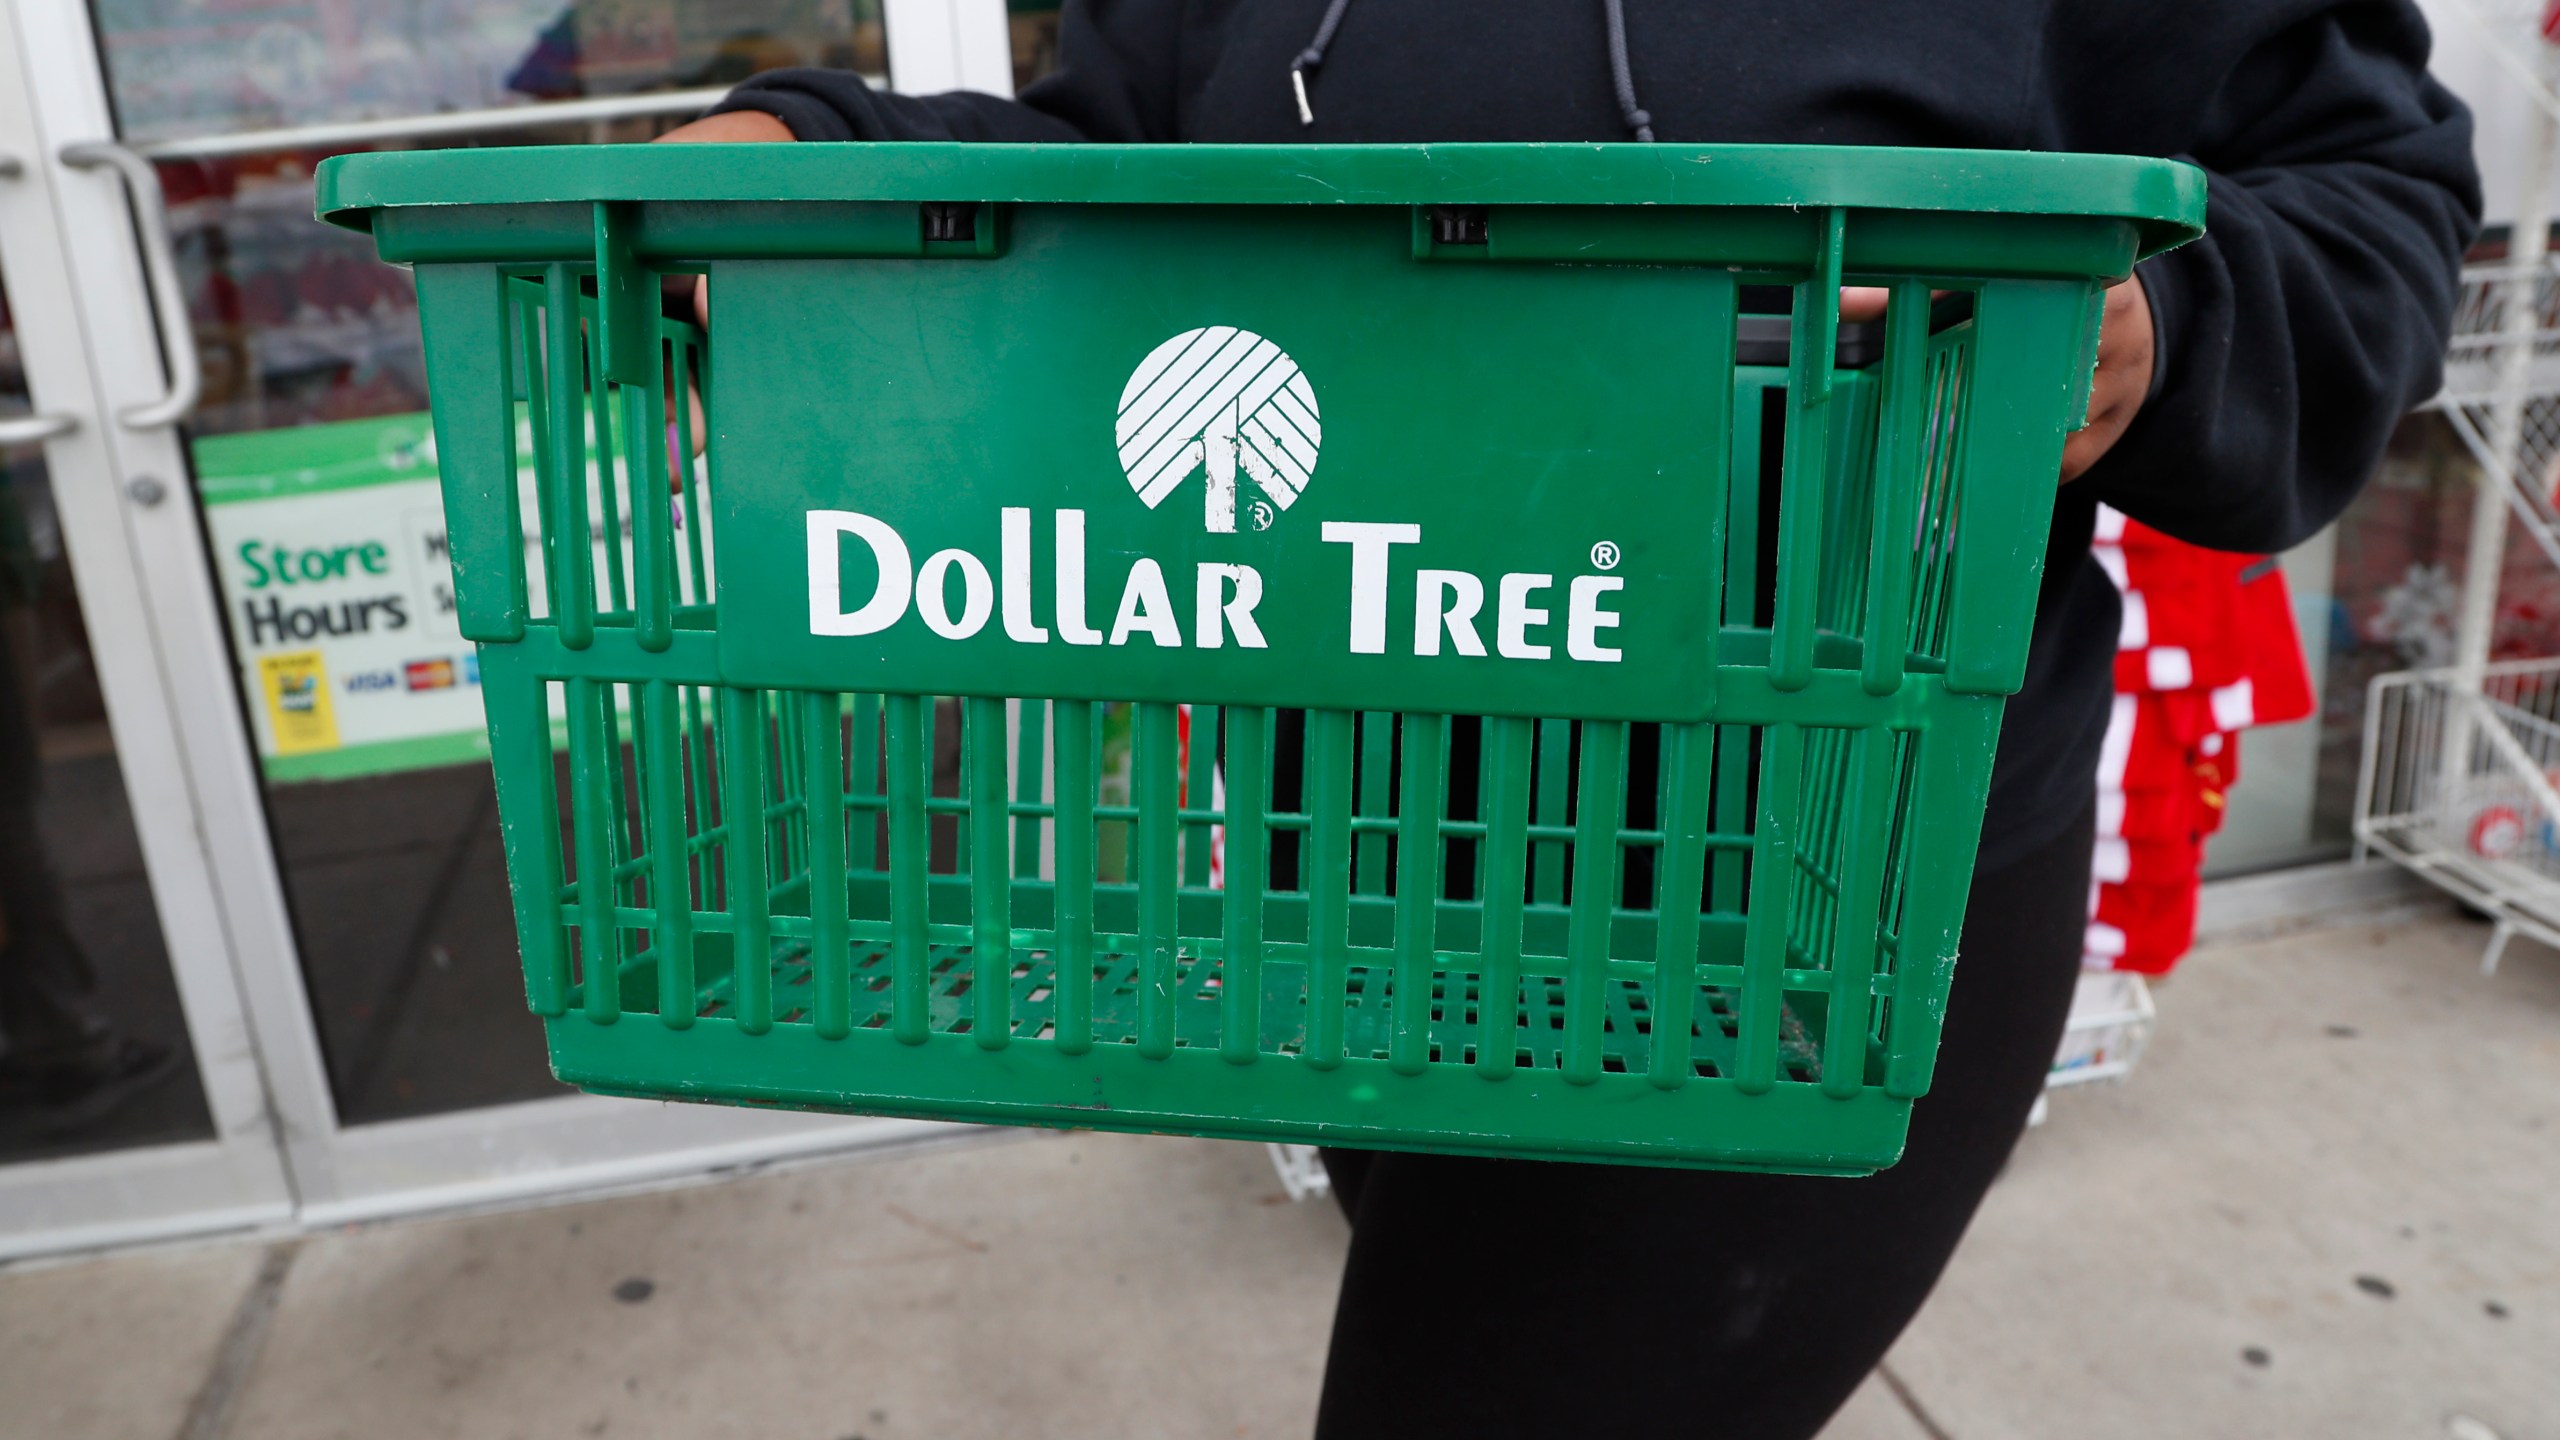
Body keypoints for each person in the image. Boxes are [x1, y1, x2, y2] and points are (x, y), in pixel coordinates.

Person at [657, 4, 2478, 1433]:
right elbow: (1117, 150)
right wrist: (824, 146)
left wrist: (2164, 315)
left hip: (1800, 903)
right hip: (1351, 866)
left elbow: (2369, 195)